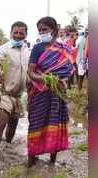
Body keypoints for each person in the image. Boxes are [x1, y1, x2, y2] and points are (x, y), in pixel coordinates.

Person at [27, 17, 74, 167]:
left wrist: (62, 81)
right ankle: (31, 159)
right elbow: (31, 73)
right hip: (40, 92)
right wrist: (46, 78)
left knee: (55, 122)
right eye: (40, 30)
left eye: (44, 30)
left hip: (57, 94)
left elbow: (68, 71)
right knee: (35, 123)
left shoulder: (64, 49)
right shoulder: (37, 48)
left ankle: (52, 160)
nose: (42, 33)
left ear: (53, 30)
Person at [0, 21, 30, 157]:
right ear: (11, 33)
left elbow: (29, 70)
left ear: (26, 35)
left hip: (19, 95)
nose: (18, 35)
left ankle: (7, 147)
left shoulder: (27, 50)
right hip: (4, 93)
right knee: (1, 123)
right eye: (16, 33)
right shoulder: (3, 49)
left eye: (22, 33)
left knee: (13, 125)